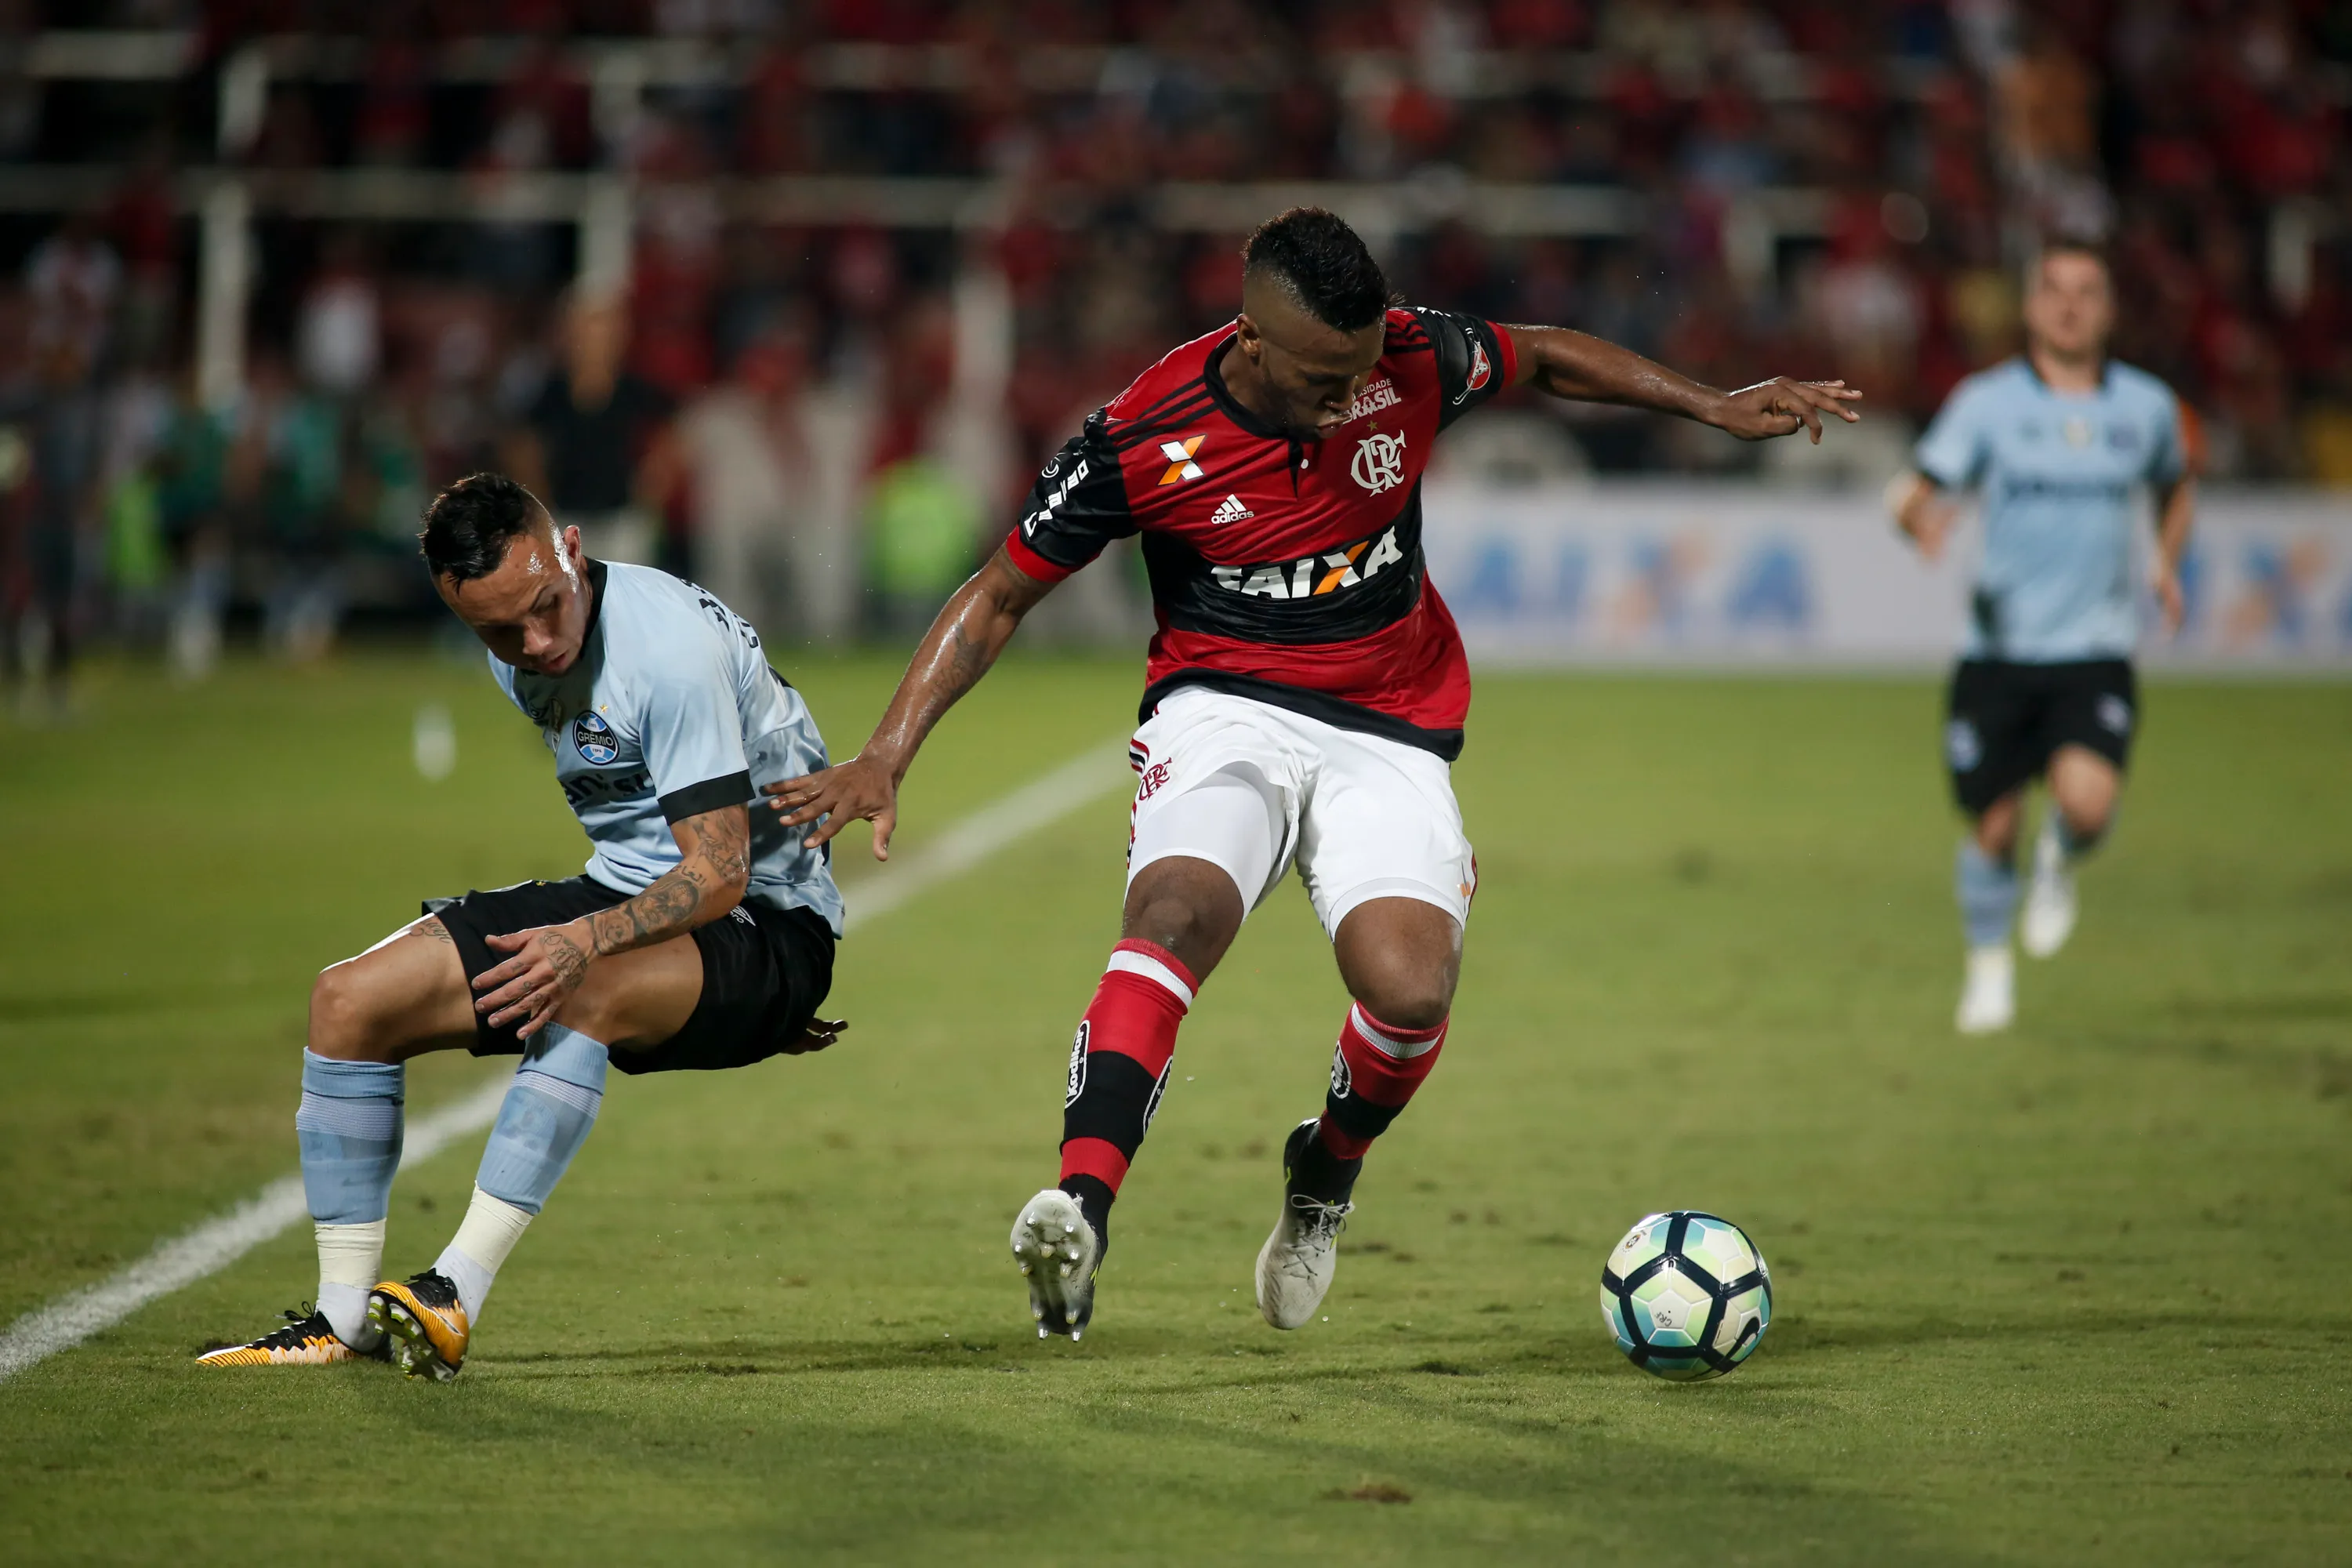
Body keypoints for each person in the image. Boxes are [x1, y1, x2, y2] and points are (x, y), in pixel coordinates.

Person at [768, 209, 1860, 1340]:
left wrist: (1711, 403)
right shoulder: (1145, 435)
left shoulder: (1404, 351)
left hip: (1390, 716)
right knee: (1176, 908)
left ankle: (1323, 1174)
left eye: (1361, 368)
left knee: (1408, 991)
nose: (1352, 393)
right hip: (1224, 704)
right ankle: (1081, 1213)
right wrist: (888, 753)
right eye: (1324, 376)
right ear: (1252, 339)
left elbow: (1541, 351)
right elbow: (997, 593)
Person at [199, 473, 844, 1378]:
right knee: (347, 1003)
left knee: (582, 979)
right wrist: (594, 931)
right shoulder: (513, 643)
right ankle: (340, 1321)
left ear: (570, 548)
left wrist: (606, 948)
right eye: (500, 629)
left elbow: (720, 872)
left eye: (545, 607)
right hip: (628, 899)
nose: (535, 644)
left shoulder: (666, 649)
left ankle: (454, 1289)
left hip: (765, 924)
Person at [1888, 241, 2194, 1034]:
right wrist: (1917, 520)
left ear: (2109, 308)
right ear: (2029, 307)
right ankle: (1988, 972)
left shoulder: (2146, 407)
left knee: (2088, 807)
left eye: (2086, 292)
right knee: (1991, 827)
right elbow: (1910, 490)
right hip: (1996, 653)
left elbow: (2176, 483)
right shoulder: (1986, 403)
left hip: (2094, 648)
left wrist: (2166, 559)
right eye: (2054, 291)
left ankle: (2060, 852)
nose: (2068, 306)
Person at [506, 289, 680, 568]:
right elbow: (523, 447)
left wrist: (649, 495)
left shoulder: (639, 393)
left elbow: (667, 442)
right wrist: (543, 507)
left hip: (623, 522)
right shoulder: (548, 395)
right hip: (564, 519)